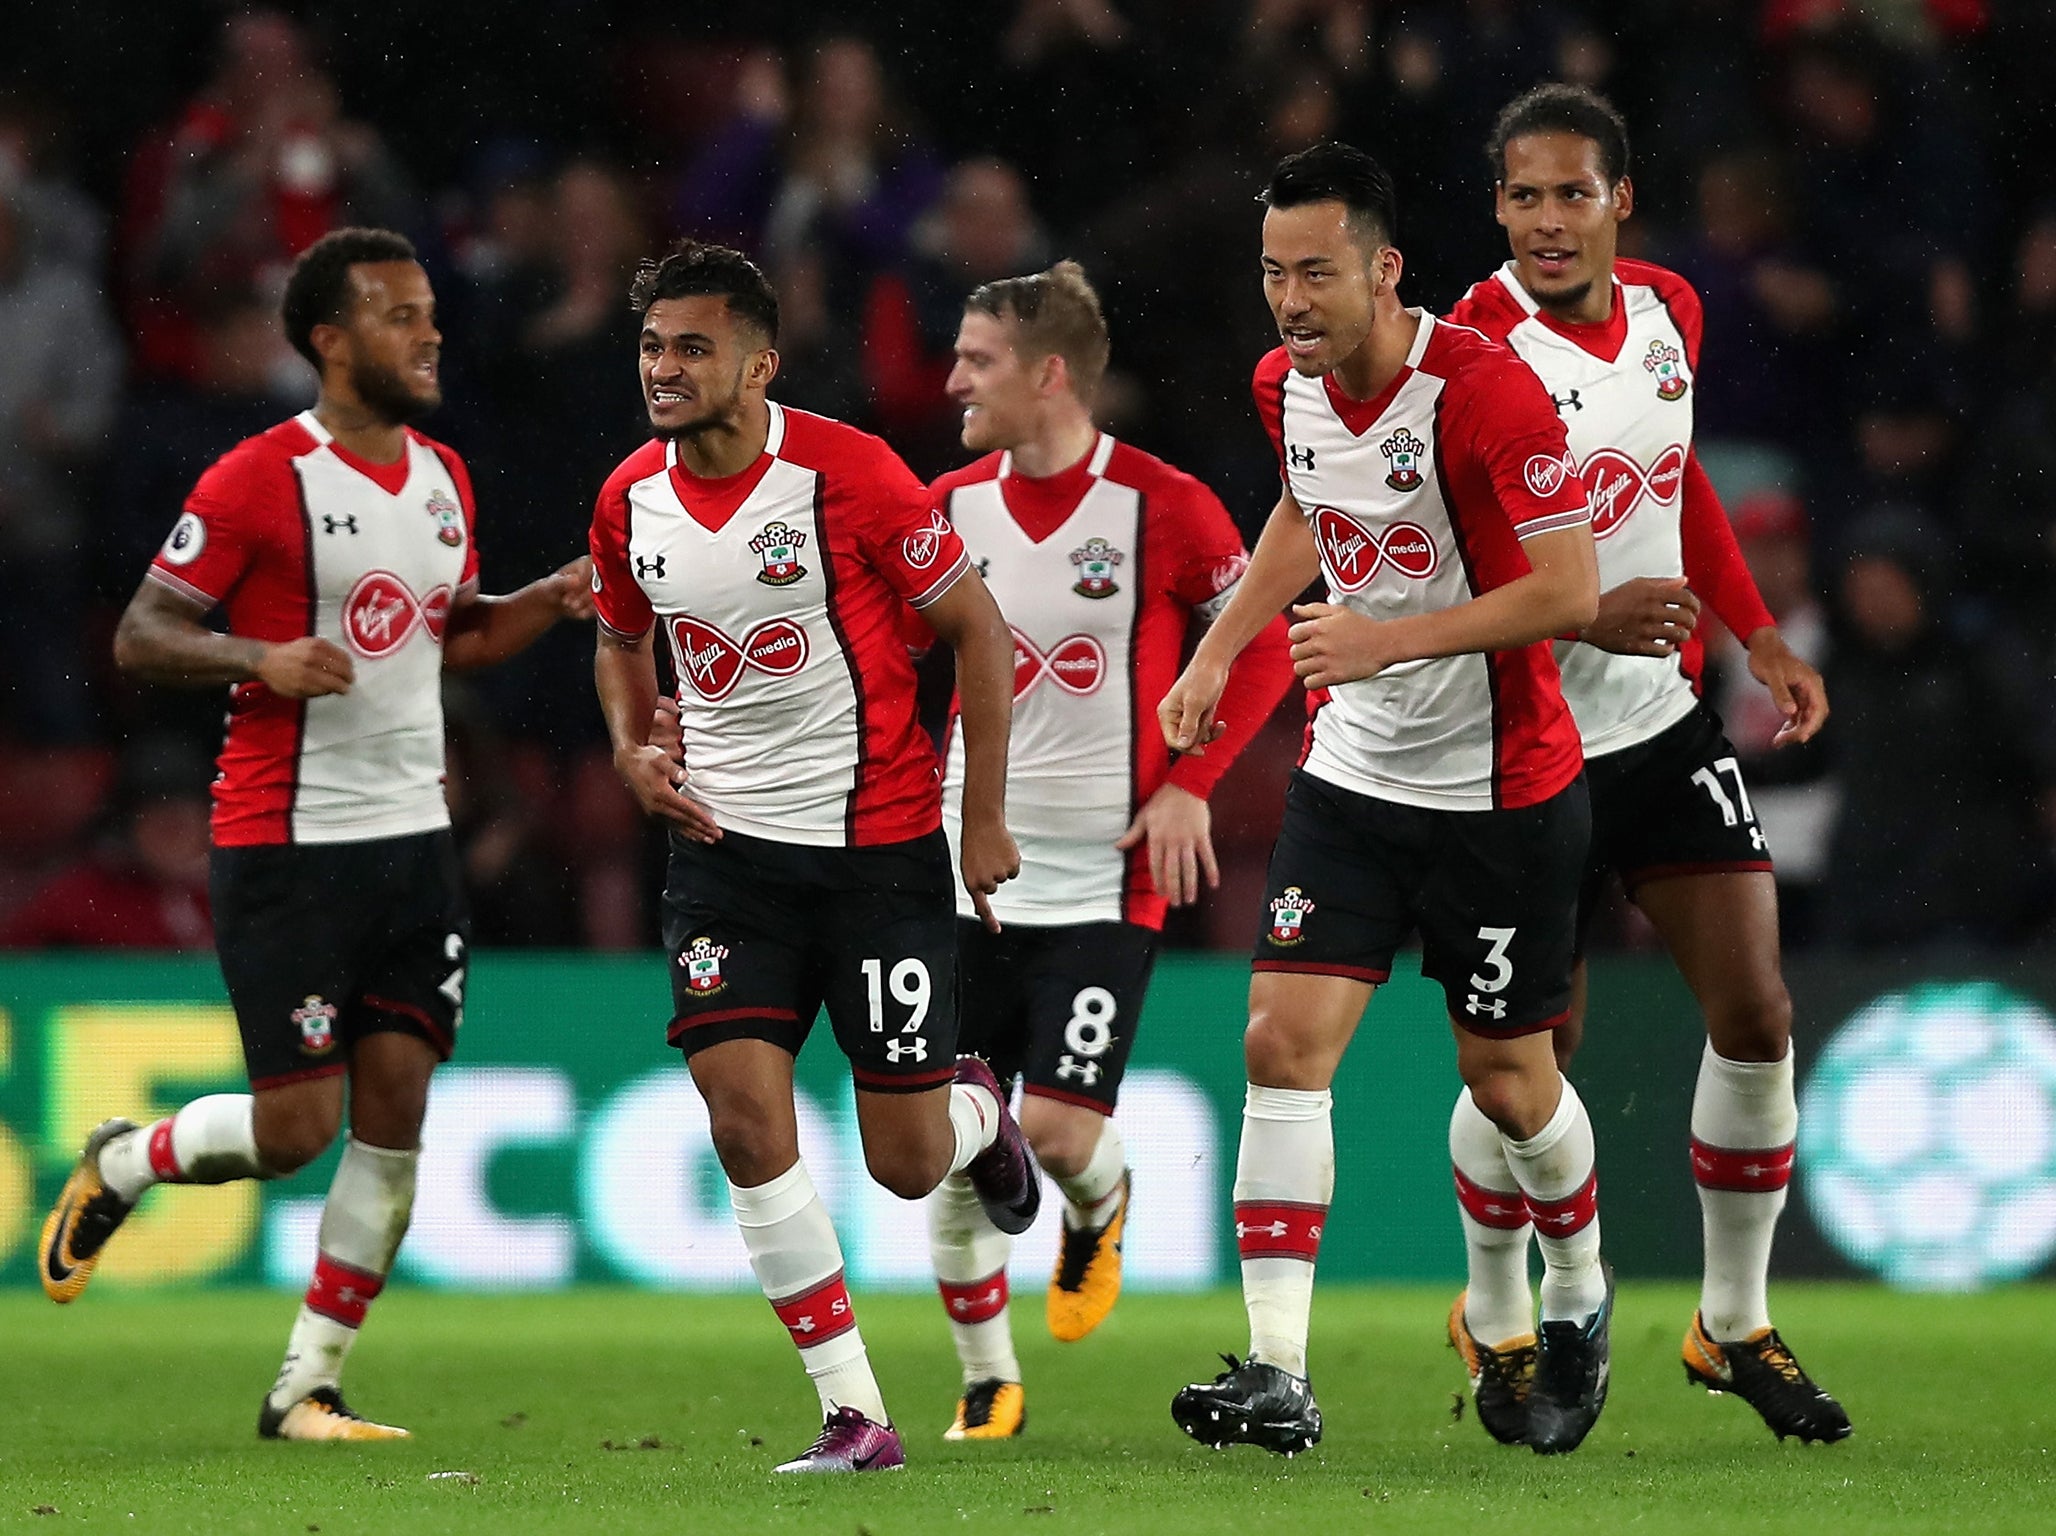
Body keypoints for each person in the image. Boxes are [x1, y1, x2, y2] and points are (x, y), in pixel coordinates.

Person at [39, 228, 596, 1440]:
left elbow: (445, 637)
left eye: (431, 313)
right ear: (331, 341)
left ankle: (308, 1385)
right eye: (399, 315)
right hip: (286, 843)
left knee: (396, 1108)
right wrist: (257, 655)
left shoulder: (446, 476)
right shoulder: (260, 476)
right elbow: (141, 631)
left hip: (414, 843)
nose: (429, 332)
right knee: (297, 1132)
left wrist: (542, 606)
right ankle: (128, 1160)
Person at [1160, 142, 1610, 1457]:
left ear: (1385, 267)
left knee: (1512, 1083)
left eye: (1317, 272)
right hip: (1350, 778)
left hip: (1501, 793)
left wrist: (1381, 644)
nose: (1291, 302)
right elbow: (1307, 506)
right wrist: (1217, 650)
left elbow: (1571, 591)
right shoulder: (1282, 385)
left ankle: (1578, 1293)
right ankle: (1278, 1374)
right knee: (1278, 1046)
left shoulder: (1484, 393)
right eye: (1271, 274)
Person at [1441, 83, 1848, 1448]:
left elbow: (1670, 490)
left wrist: (1757, 634)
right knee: (1529, 1055)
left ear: (1622, 200)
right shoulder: (1466, 347)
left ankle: (1731, 1323)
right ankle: (1499, 1311)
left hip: (1662, 725)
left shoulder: (1673, 307)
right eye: (1524, 195)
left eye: (1574, 193)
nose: (1549, 220)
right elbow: (1457, 558)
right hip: (1521, 741)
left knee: (1758, 1009)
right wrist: (1585, 611)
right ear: (1497, 207)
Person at [588, 239, 1035, 1475]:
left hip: (881, 851)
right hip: (726, 857)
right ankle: (855, 1412)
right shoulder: (629, 495)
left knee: (901, 1167)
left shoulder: (853, 475)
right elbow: (619, 637)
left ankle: (971, 1109)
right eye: (650, 347)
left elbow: (980, 636)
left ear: (758, 361)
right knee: (742, 1120)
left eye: (693, 348)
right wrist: (634, 751)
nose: (665, 370)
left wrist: (980, 817)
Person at [920, 260, 1295, 1441]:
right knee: (939, 1137)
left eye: (976, 360)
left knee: (1062, 1134)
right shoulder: (944, 505)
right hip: (959, 868)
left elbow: (1264, 648)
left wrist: (1191, 785)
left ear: (1049, 375)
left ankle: (1101, 1196)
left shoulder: (1159, 504)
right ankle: (988, 1379)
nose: (952, 380)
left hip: (1104, 874)